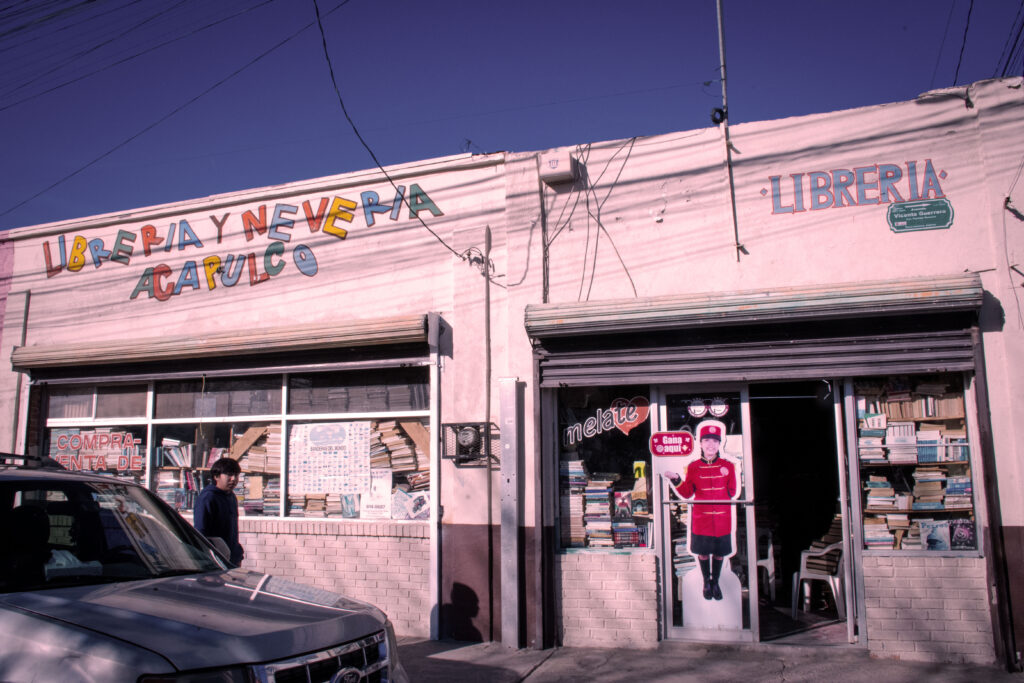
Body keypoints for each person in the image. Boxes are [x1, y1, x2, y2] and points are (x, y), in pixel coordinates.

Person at [663, 419, 737, 601]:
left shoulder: (728, 466)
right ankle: (706, 582)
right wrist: (676, 479)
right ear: (701, 443)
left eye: (715, 441)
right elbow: (687, 493)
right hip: (702, 521)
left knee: (719, 553)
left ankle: (716, 582)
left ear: (719, 443)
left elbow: (733, 490)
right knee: (703, 553)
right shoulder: (693, 466)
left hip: (722, 521)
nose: (711, 445)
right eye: (707, 440)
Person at [194, 456, 244, 565]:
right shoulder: (208, 497)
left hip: (232, 558)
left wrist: (238, 554)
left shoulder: (231, 496)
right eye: (229, 475)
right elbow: (200, 532)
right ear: (216, 476)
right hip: (216, 560)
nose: (233, 479)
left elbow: (232, 531)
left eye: (236, 475)